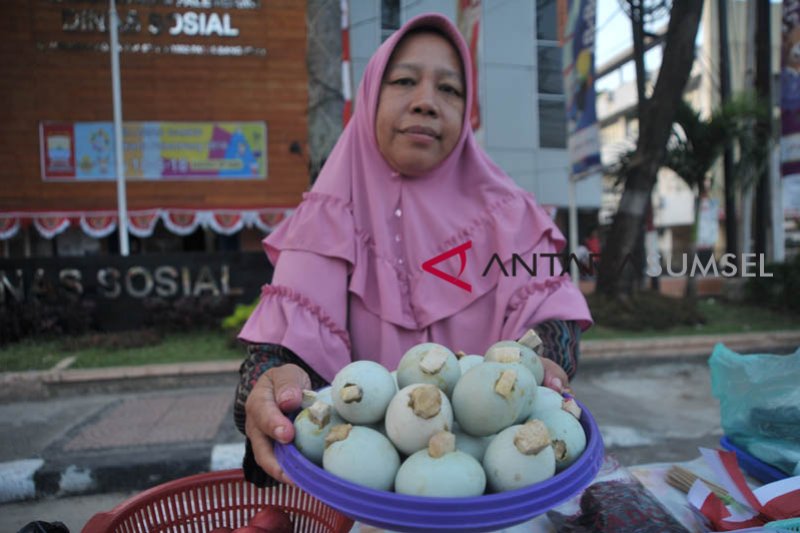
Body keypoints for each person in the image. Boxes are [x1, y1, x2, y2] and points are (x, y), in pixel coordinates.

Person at [233, 13, 592, 487]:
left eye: (449, 89)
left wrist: (540, 365)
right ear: (368, 97)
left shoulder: (514, 217)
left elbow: (554, 321)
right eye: (404, 81)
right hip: (357, 504)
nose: (426, 102)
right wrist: (270, 388)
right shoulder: (324, 221)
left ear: (467, 113)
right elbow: (277, 355)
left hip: (491, 498)